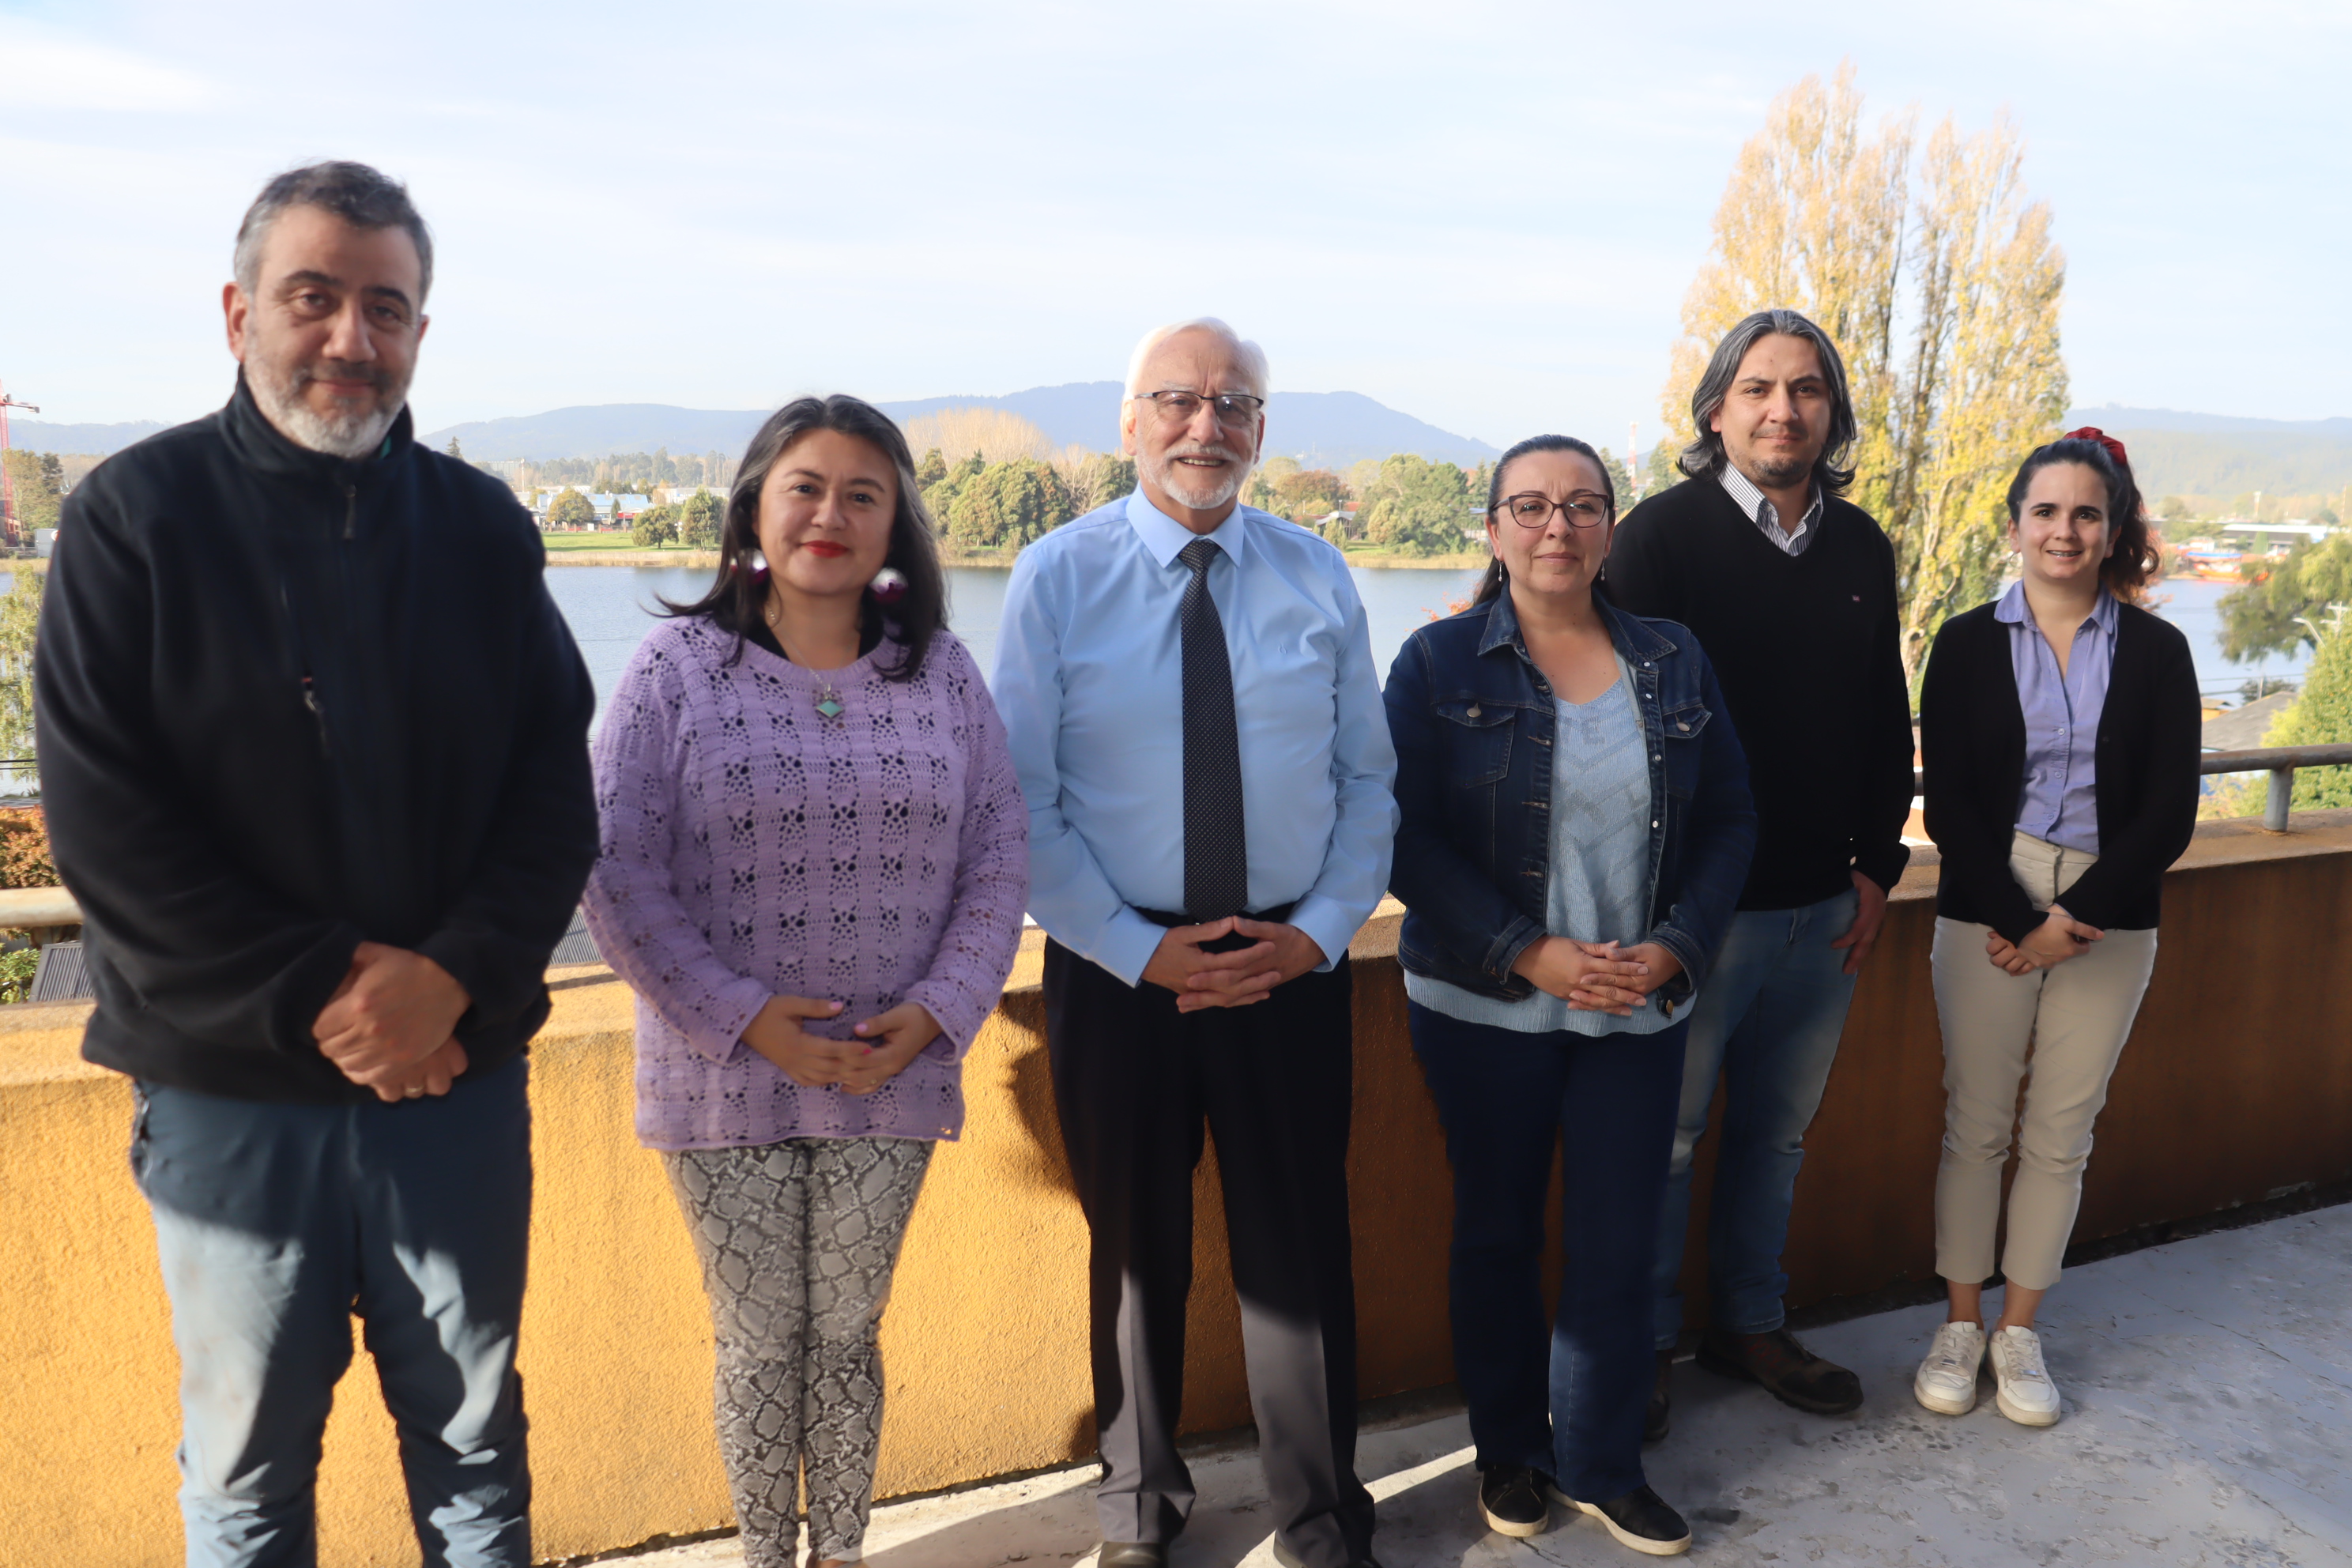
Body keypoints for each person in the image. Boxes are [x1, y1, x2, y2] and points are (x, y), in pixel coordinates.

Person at [35, 162, 597, 1566]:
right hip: (233, 1095)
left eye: (386, 308)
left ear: (420, 333)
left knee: (478, 1457)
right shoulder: (135, 521)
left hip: (455, 1084)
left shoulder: (484, 532)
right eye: (314, 297)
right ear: (240, 314)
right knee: (247, 1476)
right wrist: (339, 994)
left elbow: (552, 796)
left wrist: (451, 980)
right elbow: (109, 829)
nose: (352, 337)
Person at [582, 395, 1028, 1568]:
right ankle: (765, 1558)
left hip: (892, 1072)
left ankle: (839, 1551)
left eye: (861, 494)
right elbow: (616, 870)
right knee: (757, 1341)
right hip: (723, 1080)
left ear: (895, 526)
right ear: (753, 511)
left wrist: (937, 1013)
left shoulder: (942, 675)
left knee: (847, 1336)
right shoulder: (676, 671)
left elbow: (998, 856)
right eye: (805, 488)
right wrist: (746, 1022)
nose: (830, 514)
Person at [991, 319, 1398, 1568]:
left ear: (1262, 430)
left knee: (1301, 1247)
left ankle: (1322, 1517)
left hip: (1288, 968)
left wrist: (1318, 937)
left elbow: (1368, 784)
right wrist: (1135, 948)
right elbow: (1021, 801)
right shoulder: (1056, 578)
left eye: (1234, 405)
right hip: (1121, 976)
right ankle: (1136, 1513)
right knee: (1133, 1257)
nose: (1204, 426)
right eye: (1177, 400)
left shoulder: (1319, 576)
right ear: (1131, 423)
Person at [1387, 436, 1755, 1558]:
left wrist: (1677, 948)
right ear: (1494, 528)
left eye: (1584, 506)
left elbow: (1732, 819)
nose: (1559, 526)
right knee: (1496, 1233)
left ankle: (1602, 1462)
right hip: (1482, 1010)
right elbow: (1401, 836)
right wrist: (1527, 952)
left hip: (1635, 1012)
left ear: (1610, 527)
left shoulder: (1674, 658)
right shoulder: (1437, 661)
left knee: (1617, 1240)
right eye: (1532, 506)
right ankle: (1510, 1452)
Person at [1607, 308, 1917, 1436]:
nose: (1783, 410)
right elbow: (1618, 731)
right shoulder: (1658, 539)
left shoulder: (1862, 546)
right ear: (1715, 412)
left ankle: (1749, 1324)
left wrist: (1878, 864)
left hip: (1825, 910)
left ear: (1832, 414)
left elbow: (1882, 713)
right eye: (1758, 389)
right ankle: (1642, 1348)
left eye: (1807, 390)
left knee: (1775, 1138)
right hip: (1697, 916)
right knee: (1668, 1142)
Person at [1910, 430, 2197, 1427]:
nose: (2064, 530)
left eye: (2086, 513)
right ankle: (1960, 1323)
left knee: (2062, 1134)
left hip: (2110, 908)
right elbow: (1951, 802)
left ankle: (2019, 1330)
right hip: (1991, 896)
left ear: (2113, 531)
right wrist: (2018, 918)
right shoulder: (1964, 643)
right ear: (2015, 525)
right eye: (2046, 511)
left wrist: (2074, 918)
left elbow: (2169, 811)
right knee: (1976, 1124)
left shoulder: (2158, 651)